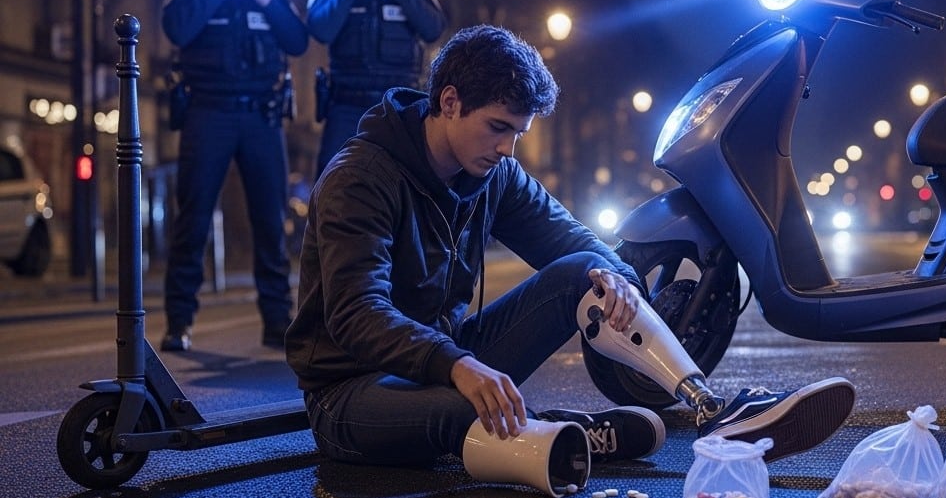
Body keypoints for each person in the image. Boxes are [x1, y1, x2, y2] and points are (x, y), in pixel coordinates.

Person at [286, 24, 854, 474]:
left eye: (518, 134)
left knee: (586, 270)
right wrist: (456, 365)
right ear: (450, 101)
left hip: (446, 355)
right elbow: (357, 314)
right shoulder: (360, 178)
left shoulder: (491, 173)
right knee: (468, 409)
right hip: (352, 392)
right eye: (498, 127)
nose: (508, 149)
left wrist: (615, 278)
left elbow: (571, 240)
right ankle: (569, 430)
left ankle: (711, 406)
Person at [160, 0, 309, 351]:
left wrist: (268, 0)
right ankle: (179, 322)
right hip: (208, 112)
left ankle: (276, 322)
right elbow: (177, 31)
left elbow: (298, 41)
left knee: (270, 219)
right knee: (195, 216)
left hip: (262, 116)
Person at [307, 0, 446, 178]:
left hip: (400, 109)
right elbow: (320, 29)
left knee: (407, 187)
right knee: (334, 184)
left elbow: (433, 28)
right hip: (346, 107)